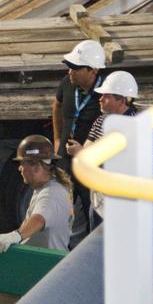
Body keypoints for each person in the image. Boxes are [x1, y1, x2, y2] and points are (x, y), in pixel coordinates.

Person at [66, 70, 139, 226]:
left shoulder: (134, 127)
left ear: (122, 100)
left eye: (106, 96)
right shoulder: (101, 120)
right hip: (98, 199)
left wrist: (81, 153)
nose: (100, 99)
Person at [52, 40, 105, 244]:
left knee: (94, 212)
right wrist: (57, 138)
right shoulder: (67, 83)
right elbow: (56, 105)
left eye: (75, 68)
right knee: (60, 212)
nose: (69, 72)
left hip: (89, 166)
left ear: (92, 71)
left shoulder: (104, 96)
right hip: (66, 162)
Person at [0, 135, 73, 253]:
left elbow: (39, 219)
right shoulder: (49, 187)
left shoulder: (51, 194)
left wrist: (16, 236)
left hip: (47, 265)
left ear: (36, 167)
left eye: (22, 164)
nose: (20, 169)